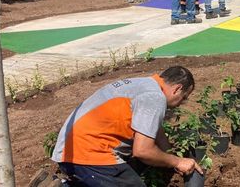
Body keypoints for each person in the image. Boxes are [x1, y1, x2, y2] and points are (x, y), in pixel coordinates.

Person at [51, 66, 202, 186]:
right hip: (89, 153)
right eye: (183, 98)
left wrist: (170, 155)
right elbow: (142, 151)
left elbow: (157, 131)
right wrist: (178, 162)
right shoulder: (154, 97)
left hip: (68, 148)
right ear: (177, 89)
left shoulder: (143, 84)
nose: (181, 104)